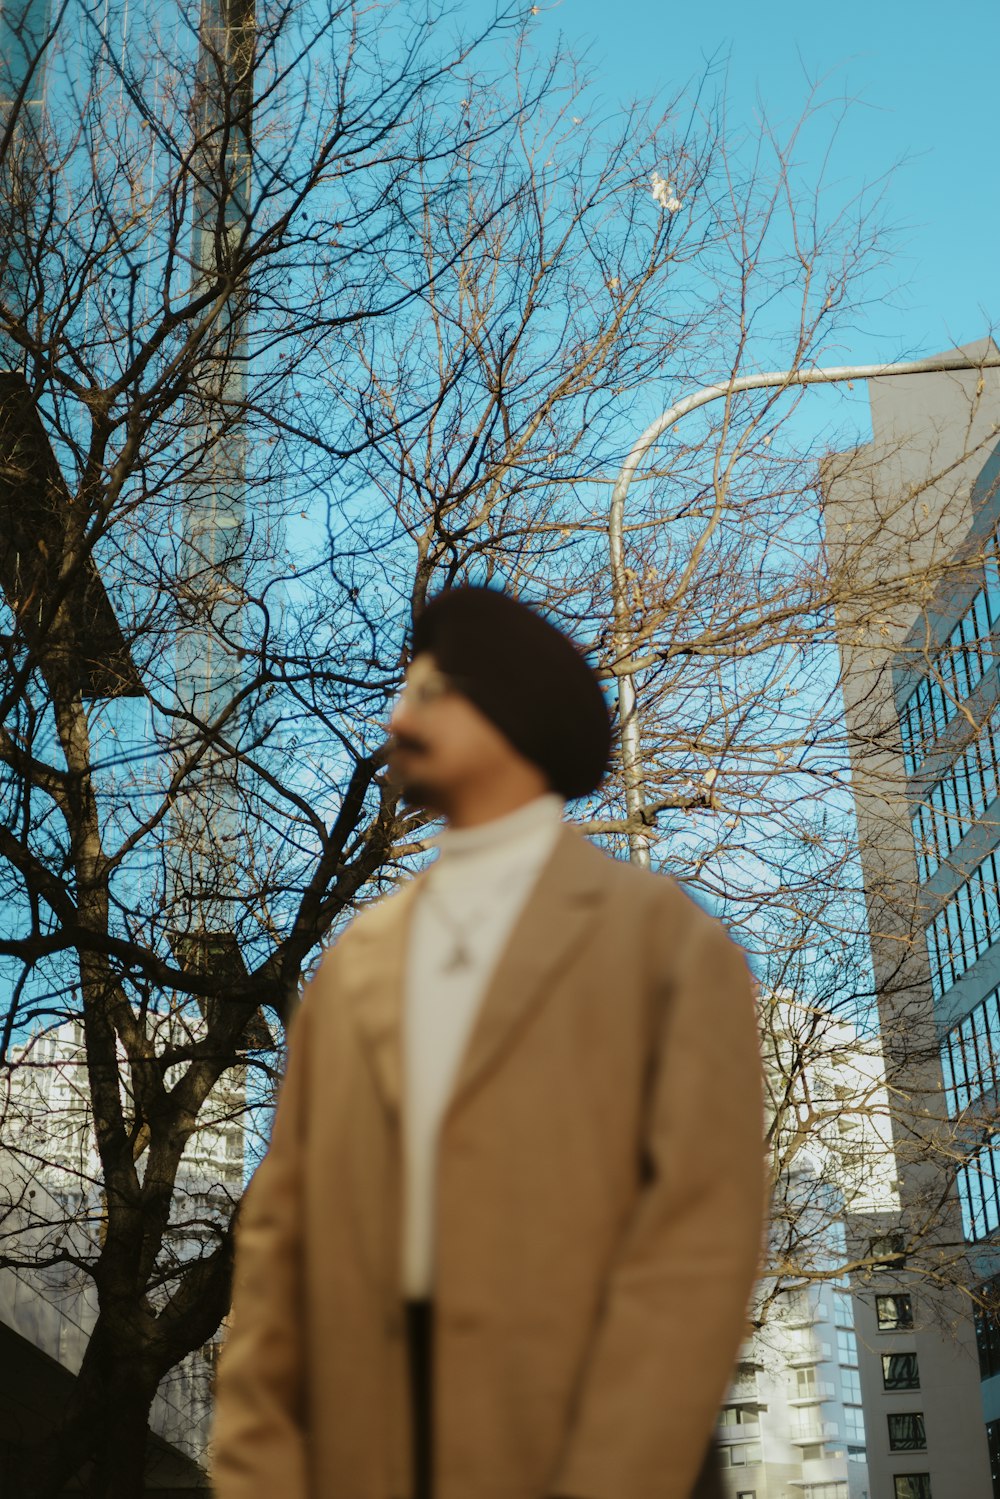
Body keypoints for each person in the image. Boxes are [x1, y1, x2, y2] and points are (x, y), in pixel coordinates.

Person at [212, 585, 767, 1499]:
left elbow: (695, 1246)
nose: (397, 715)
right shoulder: (356, 966)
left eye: (428, 692)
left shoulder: (663, 944)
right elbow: (281, 1251)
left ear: (509, 715)